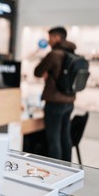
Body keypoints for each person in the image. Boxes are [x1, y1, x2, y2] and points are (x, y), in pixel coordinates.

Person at [34, 26, 76, 162]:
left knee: (53, 139)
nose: (49, 40)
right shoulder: (72, 53)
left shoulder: (54, 54)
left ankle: (55, 171)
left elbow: (37, 72)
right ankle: (67, 168)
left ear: (57, 37)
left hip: (54, 102)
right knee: (65, 136)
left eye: (50, 37)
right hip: (69, 101)